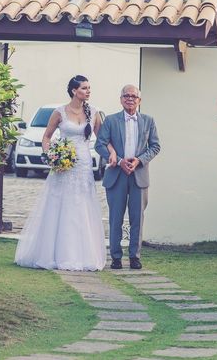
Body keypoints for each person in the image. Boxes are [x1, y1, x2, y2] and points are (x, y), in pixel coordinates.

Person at [14, 75, 108, 271]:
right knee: (58, 204)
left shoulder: (94, 112)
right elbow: (46, 137)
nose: (88, 91)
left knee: (81, 204)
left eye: (89, 88)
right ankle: (52, 254)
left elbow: (102, 139)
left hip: (83, 165)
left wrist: (113, 155)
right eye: (84, 88)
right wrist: (51, 155)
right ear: (74, 91)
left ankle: (81, 256)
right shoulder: (59, 112)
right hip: (63, 166)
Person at [95, 85, 160, 270]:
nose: (130, 99)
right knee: (116, 218)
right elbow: (100, 144)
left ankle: (135, 257)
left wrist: (139, 161)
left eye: (134, 96)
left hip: (139, 175)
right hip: (116, 175)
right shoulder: (110, 120)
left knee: (137, 218)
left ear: (139, 100)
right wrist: (119, 160)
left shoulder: (148, 121)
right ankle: (115, 257)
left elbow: (155, 146)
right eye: (126, 96)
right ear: (121, 99)